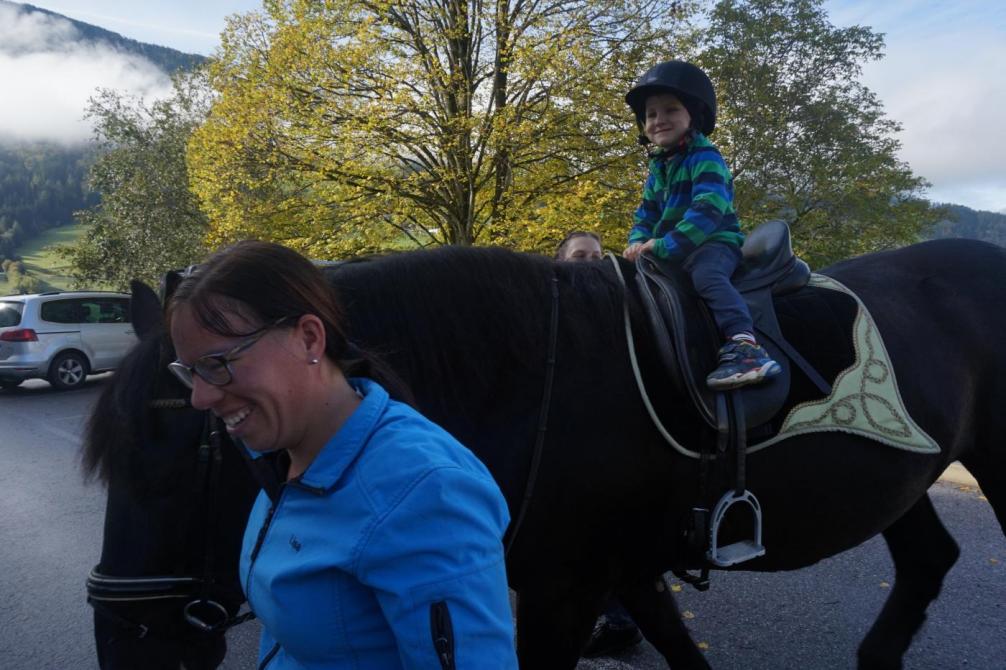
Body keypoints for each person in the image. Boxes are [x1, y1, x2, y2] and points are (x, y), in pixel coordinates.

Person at [166, 240, 518, 669]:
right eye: (189, 372)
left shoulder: (423, 492)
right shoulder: (284, 454)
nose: (200, 398)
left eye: (217, 363)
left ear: (309, 338)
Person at [622, 59, 781, 390]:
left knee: (707, 276)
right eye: (651, 114)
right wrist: (638, 240)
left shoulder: (705, 156)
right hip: (672, 248)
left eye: (670, 110)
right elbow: (646, 214)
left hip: (713, 243)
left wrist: (666, 245)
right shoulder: (658, 169)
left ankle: (745, 345)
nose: (659, 120)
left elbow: (708, 209)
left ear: (692, 115)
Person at [555, 234, 643, 657]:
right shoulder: (550, 309)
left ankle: (618, 619)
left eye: (596, 256)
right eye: (579, 257)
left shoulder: (618, 308)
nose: (590, 263)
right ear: (560, 262)